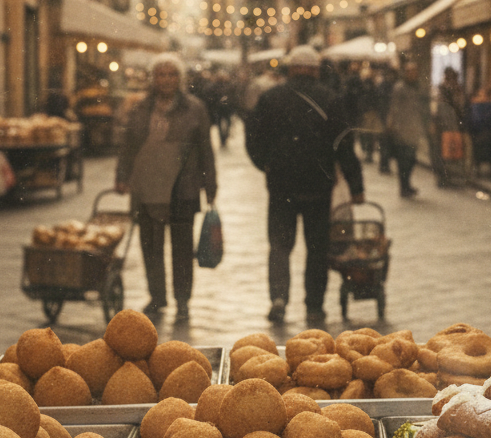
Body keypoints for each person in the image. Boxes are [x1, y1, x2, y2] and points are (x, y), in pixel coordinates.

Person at [245, 45, 364, 324]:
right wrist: (356, 185)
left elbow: (253, 139)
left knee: (279, 245)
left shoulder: (271, 98)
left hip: (281, 186)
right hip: (318, 186)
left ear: (290, 68)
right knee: (317, 249)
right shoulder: (331, 99)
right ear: (315, 69)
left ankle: (278, 298)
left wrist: (266, 165)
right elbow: (345, 146)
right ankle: (314, 305)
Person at [115, 54, 217, 321]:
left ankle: (182, 299)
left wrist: (210, 184)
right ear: (153, 79)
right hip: (147, 187)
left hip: (182, 187)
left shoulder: (195, 108)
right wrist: (122, 176)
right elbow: (128, 147)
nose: (166, 80)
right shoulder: (140, 108)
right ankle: (157, 296)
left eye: (172, 74)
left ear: (180, 79)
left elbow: (206, 148)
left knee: (182, 247)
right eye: (161, 74)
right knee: (150, 245)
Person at [387, 61, 429, 198]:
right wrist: (393, 125)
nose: (412, 74)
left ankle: (407, 184)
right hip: (402, 130)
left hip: (414, 130)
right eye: (410, 71)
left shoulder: (418, 88)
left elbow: (422, 109)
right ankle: (404, 187)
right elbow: (394, 108)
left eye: (414, 71)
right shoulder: (399, 88)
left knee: (411, 160)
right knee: (403, 160)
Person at [432, 67, 468, 187]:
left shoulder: (452, 89)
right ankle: (444, 178)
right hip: (447, 126)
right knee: (445, 152)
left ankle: (448, 178)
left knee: (449, 152)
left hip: (452, 126)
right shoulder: (445, 90)